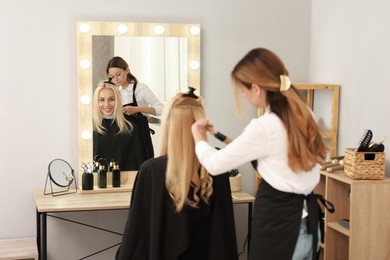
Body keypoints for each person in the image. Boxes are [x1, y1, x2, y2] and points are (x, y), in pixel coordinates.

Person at [191, 48, 334, 260]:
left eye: (243, 91)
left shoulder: (265, 126)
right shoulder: (303, 114)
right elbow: (259, 150)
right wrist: (217, 135)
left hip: (280, 231)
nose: (243, 96)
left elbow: (214, 164)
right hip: (308, 228)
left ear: (256, 88)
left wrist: (198, 137)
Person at [116, 88, 238, 260]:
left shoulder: (151, 171)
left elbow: (137, 237)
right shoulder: (216, 169)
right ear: (201, 126)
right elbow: (224, 238)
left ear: (168, 126)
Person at [106, 56, 164, 159]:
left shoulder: (141, 88)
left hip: (140, 139)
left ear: (127, 70)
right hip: (122, 139)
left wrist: (137, 109)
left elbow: (161, 109)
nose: (116, 79)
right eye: (112, 77)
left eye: (118, 74)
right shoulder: (116, 92)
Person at [93, 79, 149, 171]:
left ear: (118, 100)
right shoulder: (89, 130)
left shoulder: (130, 129)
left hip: (125, 183)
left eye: (111, 99)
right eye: (101, 100)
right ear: (96, 102)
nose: (106, 104)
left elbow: (139, 165)